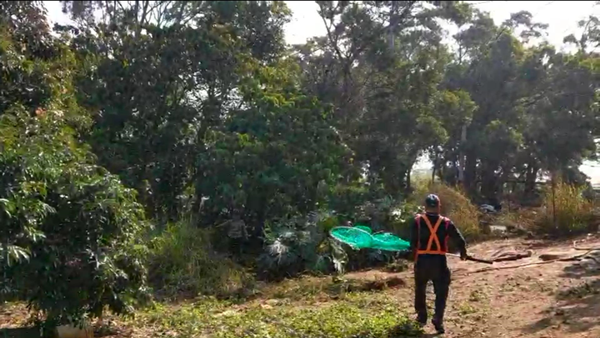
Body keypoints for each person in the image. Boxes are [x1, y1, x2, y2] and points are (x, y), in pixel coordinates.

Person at [407, 194, 468, 334]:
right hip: (439, 262)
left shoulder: (417, 221)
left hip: (422, 261)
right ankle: (438, 318)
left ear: (425, 206)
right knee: (441, 291)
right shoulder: (446, 222)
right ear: (439, 206)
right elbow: (459, 239)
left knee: (420, 289)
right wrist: (463, 252)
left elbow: (413, 243)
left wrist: (413, 257)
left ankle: (422, 317)